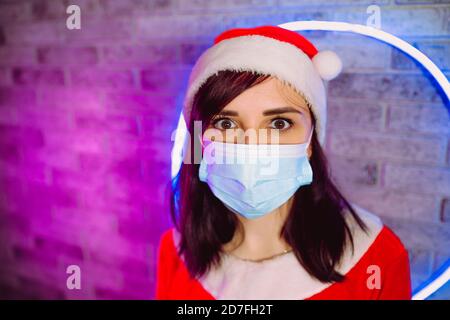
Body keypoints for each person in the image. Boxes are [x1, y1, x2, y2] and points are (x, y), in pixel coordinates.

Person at [155, 25, 412, 300]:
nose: (251, 145)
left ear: (311, 142)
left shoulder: (377, 256)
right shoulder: (176, 251)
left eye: (279, 123)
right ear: (198, 141)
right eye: (226, 123)